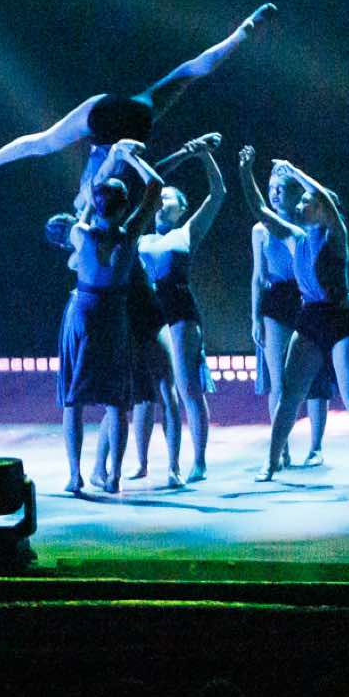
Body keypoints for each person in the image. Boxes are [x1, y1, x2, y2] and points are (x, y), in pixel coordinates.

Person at [0, 4, 276, 197]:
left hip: (132, 114)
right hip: (117, 124)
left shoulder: (111, 180)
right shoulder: (108, 188)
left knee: (188, 73)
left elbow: (195, 67)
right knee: (49, 145)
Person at [252, 160, 349, 485]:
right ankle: (271, 462)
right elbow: (259, 210)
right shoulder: (296, 237)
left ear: (322, 209)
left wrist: (293, 171)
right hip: (310, 319)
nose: (299, 205)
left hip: (340, 319)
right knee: (289, 396)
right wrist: (245, 171)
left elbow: (320, 195)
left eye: (306, 201)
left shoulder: (336, 235)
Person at [57, 141, 163, 495]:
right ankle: (114, 475)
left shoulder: (81, 234)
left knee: (74, 399)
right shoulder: (129, 235)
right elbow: (156, 186)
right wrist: (132, 159)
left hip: (86, 312)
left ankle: (75, 475)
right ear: (124, 206)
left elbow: (87, 201)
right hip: (114, 315)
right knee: (116, 401)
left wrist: (96, 189)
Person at [131, 136, 225, 484]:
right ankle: (142, 463)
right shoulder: (140, 238)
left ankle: (198, 461)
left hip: (179, 311)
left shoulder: (186, 233)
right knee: (147, 394)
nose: (160, 202)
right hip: (146, 314)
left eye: (167, 198)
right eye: (158, 197)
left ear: (181, 208)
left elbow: (218, 194)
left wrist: (204, 156)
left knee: (187, 389)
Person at [241, 147, 333, 467]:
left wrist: (293, 171)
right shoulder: (261, 229)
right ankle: (281, 449)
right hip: (276, 300)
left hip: (308, 296)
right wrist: (255, 317)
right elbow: (258, 276)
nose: (276, 193)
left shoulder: (310, 225)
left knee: (315, 375)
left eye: (282, 188)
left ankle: (316, 447)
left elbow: (325, 198)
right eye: (271, 188)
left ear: (295, 192)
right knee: (278, 379)